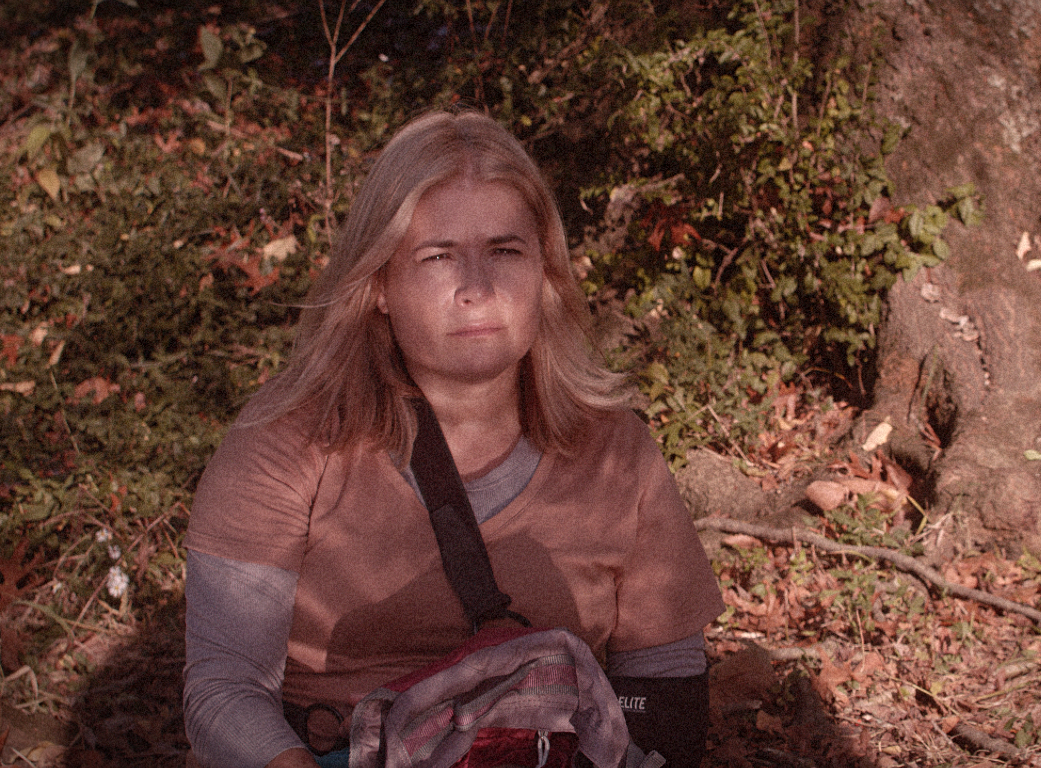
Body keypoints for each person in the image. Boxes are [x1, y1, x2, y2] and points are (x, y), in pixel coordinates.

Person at [183, 110, 725, 768]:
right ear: (378, 284)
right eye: (439, 257)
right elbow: (224, 693)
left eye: (505, 251)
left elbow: (662, 693)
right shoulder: (286, 441)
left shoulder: (616, 452)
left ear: (545, 275)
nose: (478, 287)